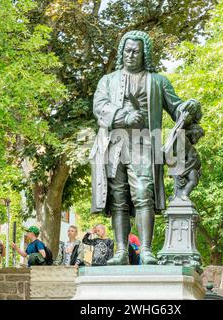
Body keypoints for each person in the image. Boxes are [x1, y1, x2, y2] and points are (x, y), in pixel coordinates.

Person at [90, 30, 201, 265]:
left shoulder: (158, 81)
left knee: (143, 194)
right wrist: (123, 116)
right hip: (113, 144)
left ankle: (146, 249)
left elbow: (176, 107)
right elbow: (99, 107)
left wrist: (189, 107)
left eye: (136, 51)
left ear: (144, 54)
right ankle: (121, 251)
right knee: (118, 198)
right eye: (127, 50)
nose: (131, 55)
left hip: (143, 144)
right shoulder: (107, 81)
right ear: (122, 52)